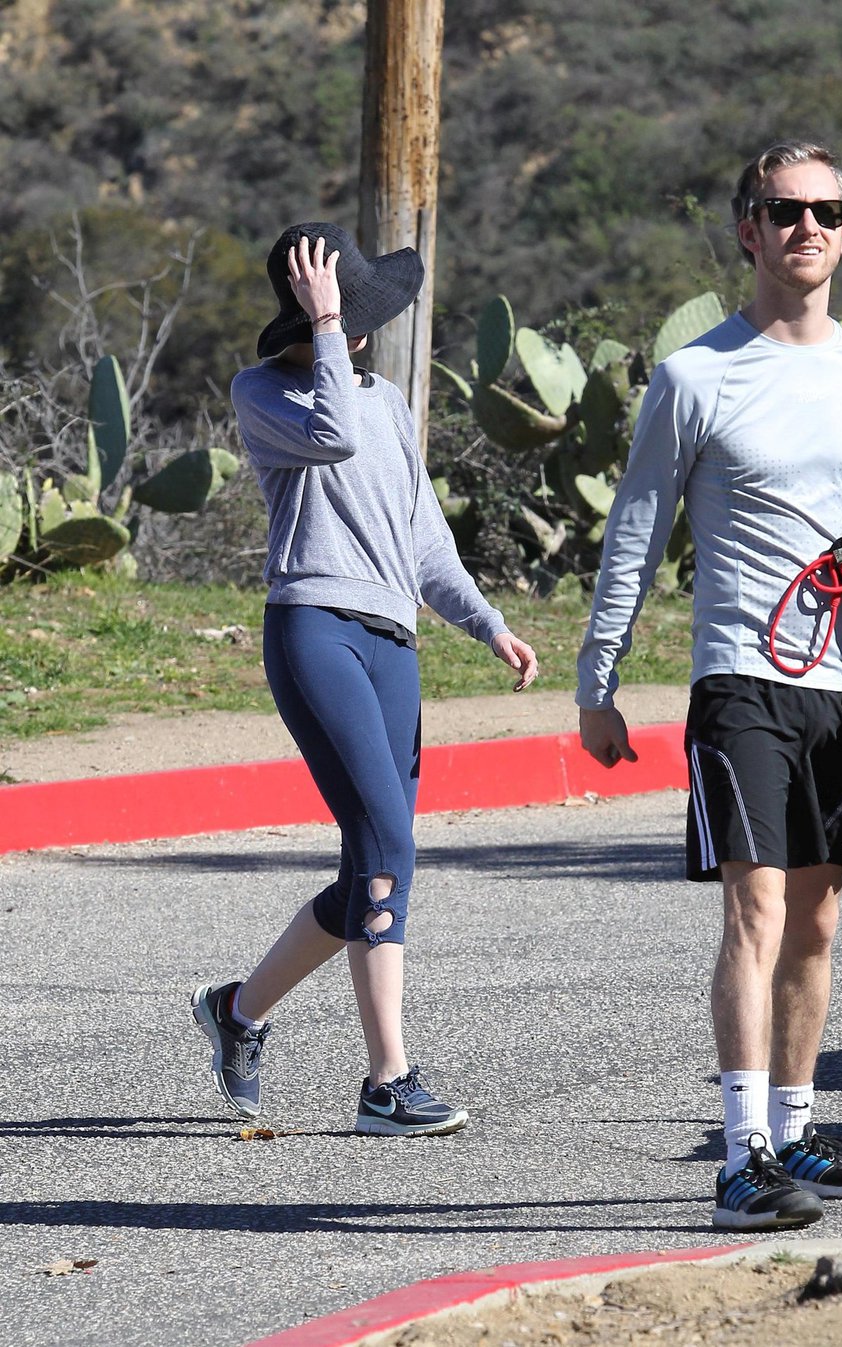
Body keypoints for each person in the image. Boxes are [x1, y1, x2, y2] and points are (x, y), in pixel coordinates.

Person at [576, 141, 842, 1229]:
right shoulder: (697, 375)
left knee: (816, 918)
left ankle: (797, 1133)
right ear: (748, 230)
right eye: (784, 210)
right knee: (757, 905)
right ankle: (739, 1160)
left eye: (827, 210)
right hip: (740, 679)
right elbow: (637, 526)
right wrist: (600, 680)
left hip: (840, 683)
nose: (806, 226)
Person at [192, 221, 537, 1137]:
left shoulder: (386, 400)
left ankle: (236, 1011)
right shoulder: (264, 391)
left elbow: (423, 537)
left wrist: (487, 622)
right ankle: (388, 1079)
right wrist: (329, 326)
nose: (360, 329)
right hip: (313, 627)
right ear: (313, 307)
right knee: (386, 837)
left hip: (393, 640)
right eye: (344, 311)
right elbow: (333, 436)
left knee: (372, 868)